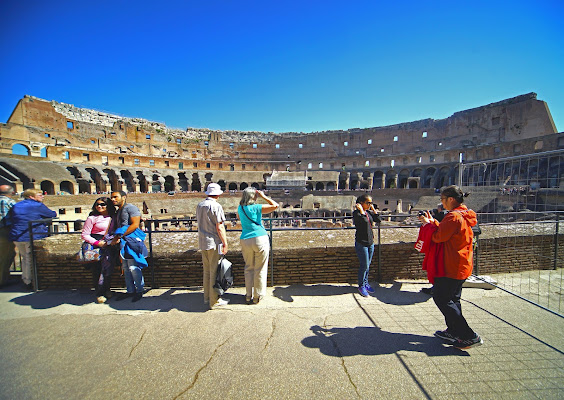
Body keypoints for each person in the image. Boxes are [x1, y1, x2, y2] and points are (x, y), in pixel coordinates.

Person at [419, 185, 483, 349]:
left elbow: (438, 237)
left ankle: (468, 335)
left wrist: (427, 225)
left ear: (451, 199)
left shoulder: (453, 217)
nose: (442, 202)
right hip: (461, 264)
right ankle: (454, 331)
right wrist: (434, 222)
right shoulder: (463, 214)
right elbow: (447, 232)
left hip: (450, 265)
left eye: (442, 199)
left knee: (442, 298)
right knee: (453, 299)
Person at [9, 189, 57, 291]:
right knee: (30, 259)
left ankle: (26, 279)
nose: (42, 196)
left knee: (25, 258)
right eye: (39, 195)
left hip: (17, 236)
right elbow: (52, 214)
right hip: (31, 235)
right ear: (31, 196)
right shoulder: (37, 205)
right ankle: (29, 282)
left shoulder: (16, 205)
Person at [238, 188, 278, 304]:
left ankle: (248, 295)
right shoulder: (257, 207)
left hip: (245, 239)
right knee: (260, 269)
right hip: (260, 238)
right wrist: (264, 196)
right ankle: (257, 296)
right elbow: (275, 206)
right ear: (253, 196)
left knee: (249, 267)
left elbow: (240, 218)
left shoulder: (240, 208)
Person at [196, 183, 229, 308]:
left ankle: (206, 298)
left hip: (203, 242)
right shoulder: (216, 206)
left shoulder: (200, 205)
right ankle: (214, 301)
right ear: (218, 194)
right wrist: (225, 243)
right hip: (214, 242)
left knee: (207, 272)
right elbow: (219, 227)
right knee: (215, 272)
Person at [110, 191, 146, 302]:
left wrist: (120, 236)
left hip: (131, 241)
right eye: (111, 197)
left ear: (124, 197)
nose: (112, 199)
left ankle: (139, 290)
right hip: (123, 241)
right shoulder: (119, 211)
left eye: (115, 197)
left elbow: (135, 224)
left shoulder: (131, 208)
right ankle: (130, 291)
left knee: (133, 267)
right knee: (125, 268)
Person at [81, 197, 117, 304]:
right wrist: (97, 243)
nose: (99, 206)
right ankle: (99, 293)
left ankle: (107, 289)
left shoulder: (113, 217)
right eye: (97, 204)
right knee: (97, 269)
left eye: (102, 204)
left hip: (109, 245)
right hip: (96, 245)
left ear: (108, 205)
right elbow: (85, 234)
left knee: (108, 268)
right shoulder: (92, 218)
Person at [353, 194, 380, 297]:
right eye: (368, 203)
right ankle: (361, 285)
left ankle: (365, 283)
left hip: (370, 243)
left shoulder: (368, 212)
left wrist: (374, 210)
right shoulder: (357, 214)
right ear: (361, 203)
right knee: (364, 266)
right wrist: (361, 211)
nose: (369, 205)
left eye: (371, 203)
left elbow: (378, 220)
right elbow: (363, 223)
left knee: (367, 266)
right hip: (361, 243)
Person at [0, 185, 16, 287]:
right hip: (4, 231)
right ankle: (2, 281)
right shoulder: (9, 202)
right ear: (12, 193)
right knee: (6, 256)